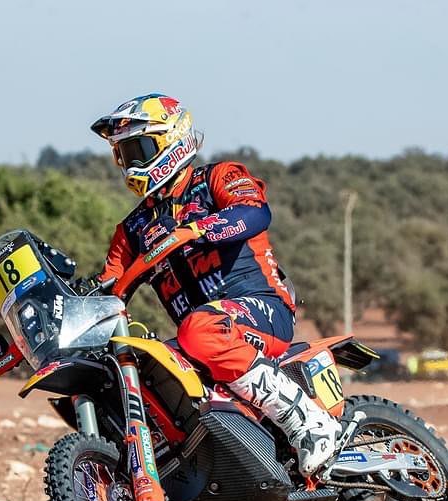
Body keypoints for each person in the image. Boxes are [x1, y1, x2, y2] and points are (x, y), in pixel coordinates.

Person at [89, 93, 340, 476]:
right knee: (146, 366)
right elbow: (107, 287)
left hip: (261, 308)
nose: (131, 163)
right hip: (202, 337)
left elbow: (255, 213)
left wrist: (196, 230)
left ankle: (307, 420)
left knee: (200, 329)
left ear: (172, 140)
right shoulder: (132, 229)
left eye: (138, 150)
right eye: (123, 155)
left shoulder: (217, 178)